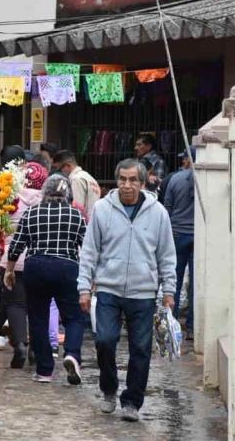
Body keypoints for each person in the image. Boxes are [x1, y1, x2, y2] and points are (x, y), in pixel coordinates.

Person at [78, 158, 177, 422]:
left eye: (133, 180)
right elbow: (89, 251)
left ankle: (132, 401)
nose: (127, 185)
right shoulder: (102, 209)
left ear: (143, 183)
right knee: (104, 341)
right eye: (122, 179)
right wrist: (84, 288)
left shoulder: (158, 214)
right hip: (108, 289)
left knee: (141, 349)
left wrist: (169, 290)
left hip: (143, 292)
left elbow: (167, 254)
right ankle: (109, 389)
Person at [4, 177, 88, 385]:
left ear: (44, 192)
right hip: (67, 267)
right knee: (74, 317)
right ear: (68, 194)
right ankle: (72, 354)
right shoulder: (76, 215)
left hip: (36, 266)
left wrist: (10, 270)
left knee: (38, 318)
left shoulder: (32, 212)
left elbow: (17, 244)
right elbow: (87, 247)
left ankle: (44, 370)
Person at [0, 161, 46, 368]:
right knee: (38, 305)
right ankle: (36, 347)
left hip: (12, 259)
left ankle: (20, 344)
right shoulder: (47, 202)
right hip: (40, 259)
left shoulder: (7, 197)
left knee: (15, 304)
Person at [164, 147, 196, 339]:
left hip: (177, 234)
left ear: (187, 160)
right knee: (196, 283)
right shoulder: (207, 180)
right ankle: (192, 326)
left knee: (173, 281)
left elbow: (167, 207)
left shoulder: (174, 179)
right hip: (199, 235)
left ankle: (172, 322)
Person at [52, 150, 101, 222]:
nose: (59, 172)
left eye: (59, 169)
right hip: (94, 221)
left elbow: (77, 209)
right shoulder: (88, 176)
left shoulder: (75, 179)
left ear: (67, 165)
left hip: (85, 224)